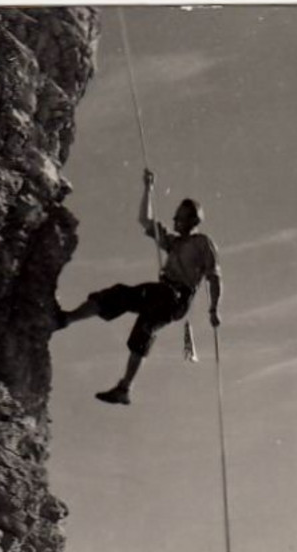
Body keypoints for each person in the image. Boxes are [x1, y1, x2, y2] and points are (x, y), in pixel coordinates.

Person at [55, 169, 222, 405]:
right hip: (166, 297)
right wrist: (148, 188)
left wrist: (214, 309)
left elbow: (214, 277)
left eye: (180, 217)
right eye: (175, 216)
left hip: (175, 297)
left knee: (132, 296)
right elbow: (145, 221)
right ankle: (124, 388)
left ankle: (67, 319)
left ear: (194, 221)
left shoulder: (202, 243)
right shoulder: (173, 242)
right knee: (141, 326)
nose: (175, 221)